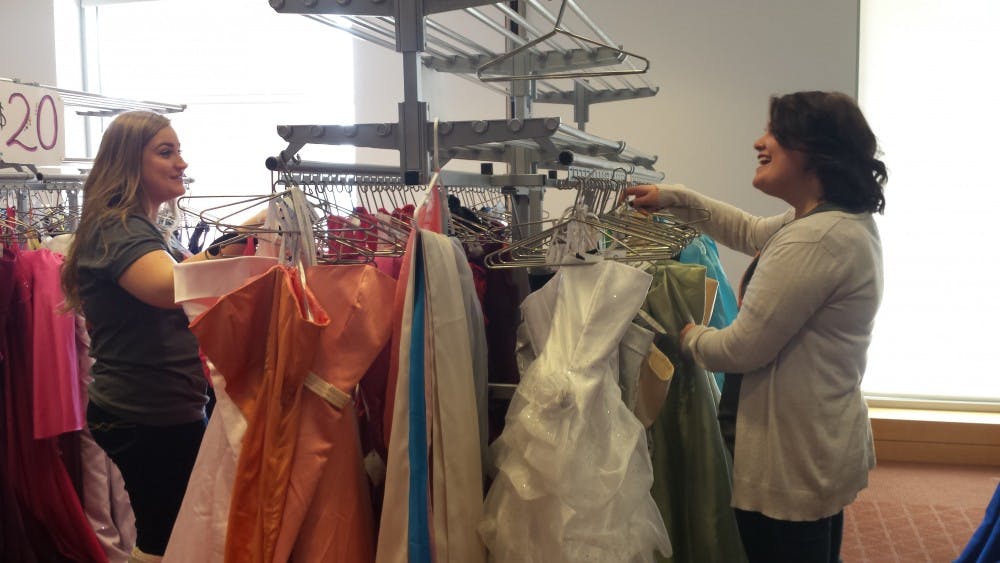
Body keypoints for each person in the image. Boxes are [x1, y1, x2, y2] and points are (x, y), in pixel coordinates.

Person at [626, 90, 886, 563]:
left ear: (813, 151)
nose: (759, 142)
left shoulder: (817, 239)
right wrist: (674, 198)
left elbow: (741, 349)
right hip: (816, 441)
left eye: (776, 134)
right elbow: (748, 231)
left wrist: (683, 332)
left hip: (794, 457)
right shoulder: (828, 223)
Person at [59, 111, 260, 562]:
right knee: (168, 533)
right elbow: (170, 287)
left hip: (161, 408)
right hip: (144, 414)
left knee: (173, 528)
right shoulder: (117, 227)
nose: (181, 163)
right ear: (129, 163)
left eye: (180, 150)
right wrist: (238, 237)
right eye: (166, 152)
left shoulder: (142, 229)